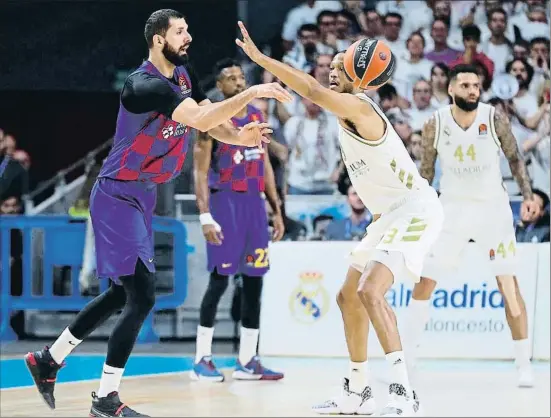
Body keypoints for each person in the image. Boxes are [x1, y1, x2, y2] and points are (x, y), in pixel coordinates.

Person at [23, 9, 292, 418]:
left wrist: (238, 137)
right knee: (143, 294)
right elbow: (201, 116)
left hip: (141, 194)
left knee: (120, 293)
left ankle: (49, 358)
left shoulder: (184, 73)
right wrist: (252, 94)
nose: (189, 37)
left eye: (188, 30)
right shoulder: (143, 85)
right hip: (117, 194)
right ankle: (105, 399)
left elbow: (208, 122)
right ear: (157, 39)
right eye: (180, 32)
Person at [237, 24, 444, 416]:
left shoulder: (360, 106)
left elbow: (312, 92)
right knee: (347, 296)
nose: (330, 73)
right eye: (329, 67)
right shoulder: (348, 106)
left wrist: (262, 61)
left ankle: (403, 391)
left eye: (339, 67)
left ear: (358, 74)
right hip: (390, 215)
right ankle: (358, 390)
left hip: (415, 208)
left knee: (370, 290)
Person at [406, 64, 540, 388]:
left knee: (508, 286)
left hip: (492, 210)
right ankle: (406, 360)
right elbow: (425, 173)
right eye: (465, 85)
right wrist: (418, 210)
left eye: (476, 86)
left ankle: (524, 364)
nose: (471, 90)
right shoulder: (433, 123)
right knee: (424, 280)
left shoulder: (494, 118)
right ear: (451, 89)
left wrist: (528, 194)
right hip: (450, 209)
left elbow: (515, 158)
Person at [192, 58, 285, 381]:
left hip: (254, 206)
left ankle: (248, 360)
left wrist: (276, 208)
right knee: (220, 281)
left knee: (255, 282)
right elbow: (200, 170)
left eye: (241, 77)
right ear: (220, 87)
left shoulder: (258, 116)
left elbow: (266, 164)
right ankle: (202, 358)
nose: (239, 82)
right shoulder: (211, 119)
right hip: (225, 204)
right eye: (230, 79)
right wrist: (204, 215)